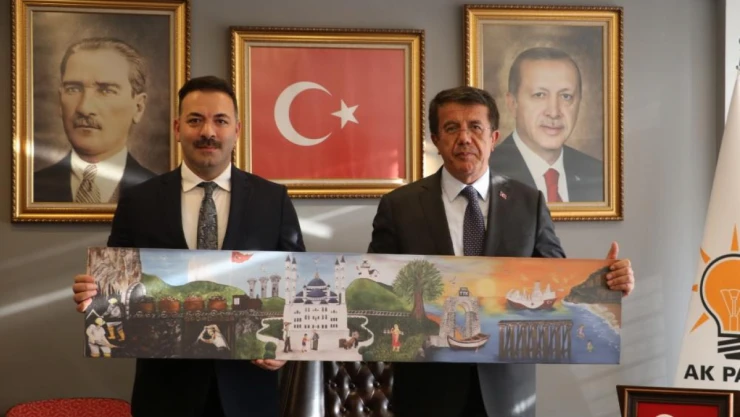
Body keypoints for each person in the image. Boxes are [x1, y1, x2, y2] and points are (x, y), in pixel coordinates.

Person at [368, 86, 635, 417]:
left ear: (493, 138)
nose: (464, 138)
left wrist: (601, 283)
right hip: (427, 392)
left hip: (507, 394)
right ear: (436, 140)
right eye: (451, 128)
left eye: (475, 127)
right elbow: (377, 290)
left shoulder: (529, 202)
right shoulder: (399, 206)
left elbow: (557, 283)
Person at [72, 75, 305, 417]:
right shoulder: (138, 201)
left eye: (220, 121)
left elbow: (297, 286)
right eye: (195, 120)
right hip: (164, 395)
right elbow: (114, 282)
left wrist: (287, 345)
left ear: (237, 130)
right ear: (178, 128)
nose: (208, 131)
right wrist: (94, 294)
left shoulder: (274, 200)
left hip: (248, 393)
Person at [34, 37, 156, 203]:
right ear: (60, 102)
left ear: (138, 107)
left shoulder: (161, 193)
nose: (84, 108)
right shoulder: (29, 190)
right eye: (73, 89)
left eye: (106, 91)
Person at [489, 47, 603, 203]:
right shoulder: (486, 172)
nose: (554, 112)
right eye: (539, 95)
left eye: (566, 96)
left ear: (579, 103)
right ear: (513, 103)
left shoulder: (599, 174)